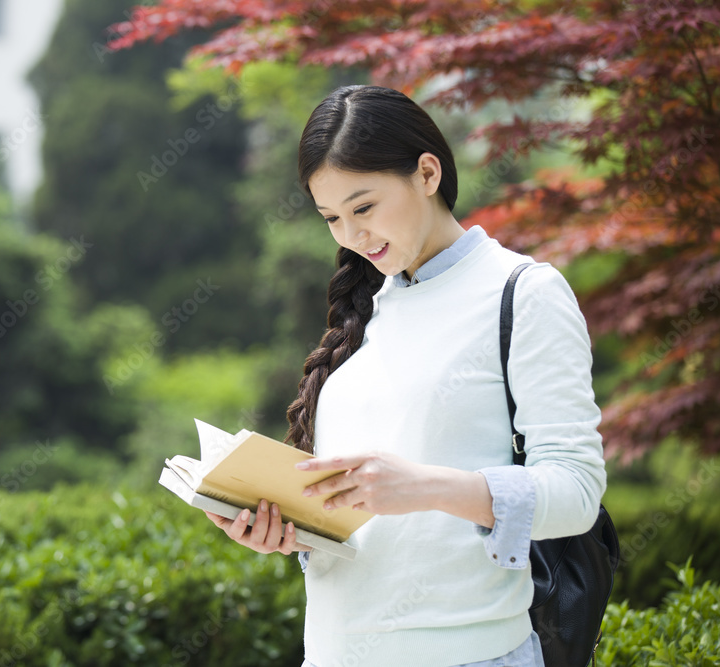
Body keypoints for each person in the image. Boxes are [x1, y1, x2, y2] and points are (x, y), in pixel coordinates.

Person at [203, 85, 607, 667]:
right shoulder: (367, 312)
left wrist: (426, 487)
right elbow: (362, 522)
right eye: (332, 218)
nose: (350, 236)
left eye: (364, 207)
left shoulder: (523, 293)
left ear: (426, 172)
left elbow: (576, 493)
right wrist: (286, 527)